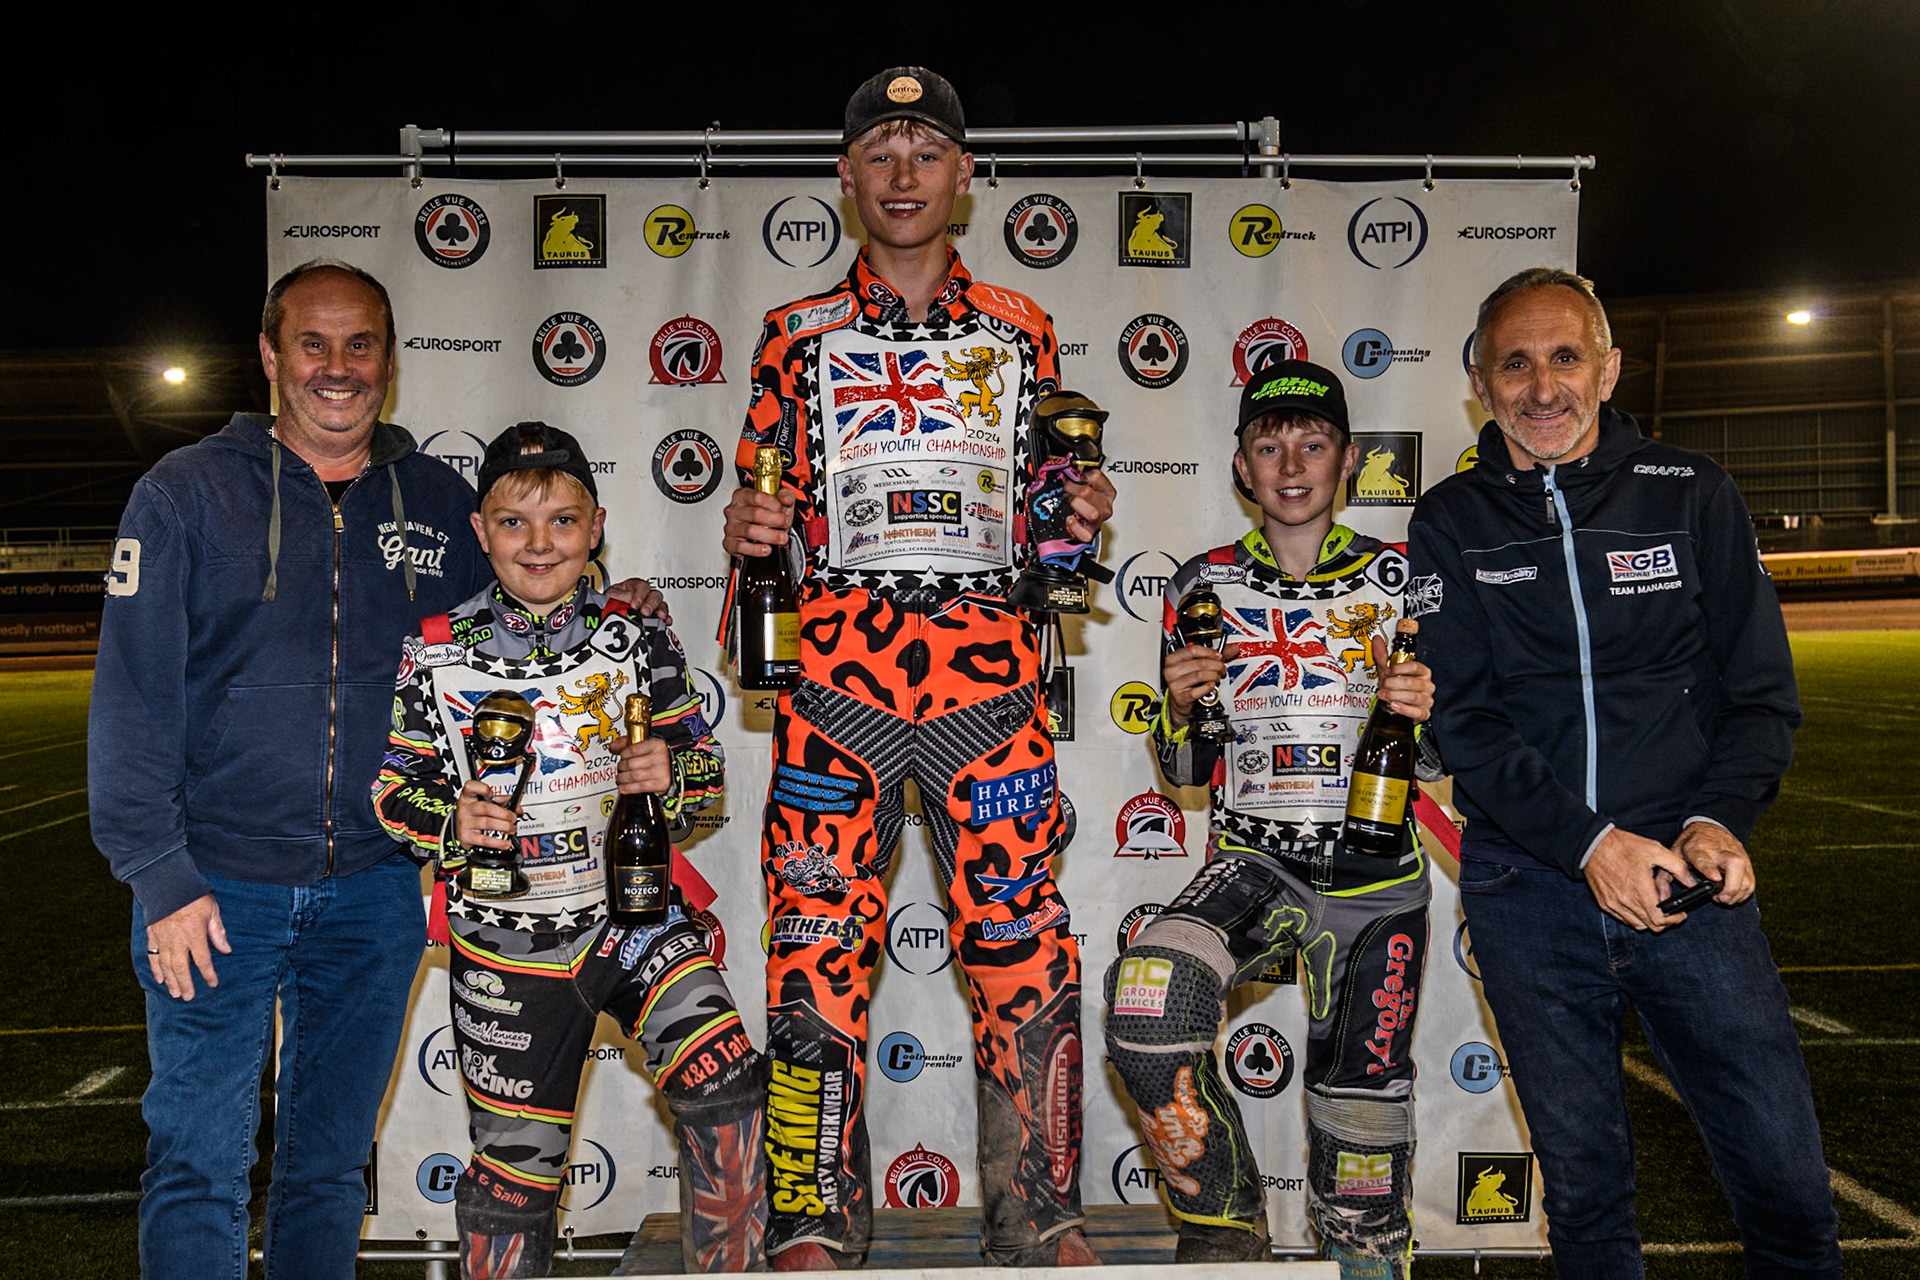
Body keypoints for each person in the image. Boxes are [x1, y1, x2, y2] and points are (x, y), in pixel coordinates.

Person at [719, 66, 1115, 1270]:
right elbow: (759, 504)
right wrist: (746, 537)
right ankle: (811, 1217)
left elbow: (1054, 506)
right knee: (813, 949)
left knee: (1022, 943)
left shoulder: (1023, 328)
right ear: (846, 178)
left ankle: (1039, 1209)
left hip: (989, 689)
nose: (902, 173)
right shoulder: (794, 335)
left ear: (964, 176)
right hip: (836, 691)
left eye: (925, 150)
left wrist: (1081, 510)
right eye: (880, 152)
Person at [1407, 267, 1841, 1277]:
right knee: (1590, 1204)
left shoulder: (1694, 492)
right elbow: (1464, 720)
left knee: (1787, 1187)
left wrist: (1718, 819)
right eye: (1515, 362)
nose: (1541, 384)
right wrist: (1589, 844)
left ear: (1607, 367)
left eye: (1565, 356)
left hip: (1691, 887)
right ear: (1479, 378)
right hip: (1531, 890)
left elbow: (1762, 696)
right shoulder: (1450, 520)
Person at [88, 261, 494, 1278]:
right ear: (271, 355)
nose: (337, 367)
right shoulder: (183, 493)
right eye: (313, 343)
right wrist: (161, 875)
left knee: (329, 1168)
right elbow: (130, 699)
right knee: (199, 1162)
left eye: (360, 345)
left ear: (389, 362)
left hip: (375, 885)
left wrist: (619, 615)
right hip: (212, 884)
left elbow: (510, 648)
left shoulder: (443, 502)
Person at [374, 422, 766, 1276]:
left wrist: (674, 774)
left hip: (634, 920)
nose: (539, 542)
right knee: (515, 1182)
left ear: (596, 527)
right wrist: (450, 821)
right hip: (504, 946)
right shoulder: (434, 650)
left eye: (562, 520)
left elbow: (701, 779)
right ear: (481, 533)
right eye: (514, 522)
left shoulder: (641, 635)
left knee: (727, 1086)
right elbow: (393, 788)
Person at [1104, 361, 1437, 1280]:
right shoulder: (1200, 586)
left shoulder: (1406, 578)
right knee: (1149, 998)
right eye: (1269, 445)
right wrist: (1177, 709)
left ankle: (1366, 1255)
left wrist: (1426, 714)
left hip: (1377, 878)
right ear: (1242, 467)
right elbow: (1185, 773)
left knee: (1360, 1124)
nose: (1291, 464)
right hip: (1258, 862)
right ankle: (1226, 1225)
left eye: (1313, 444)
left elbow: (1444, 762)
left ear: (1348, 459)